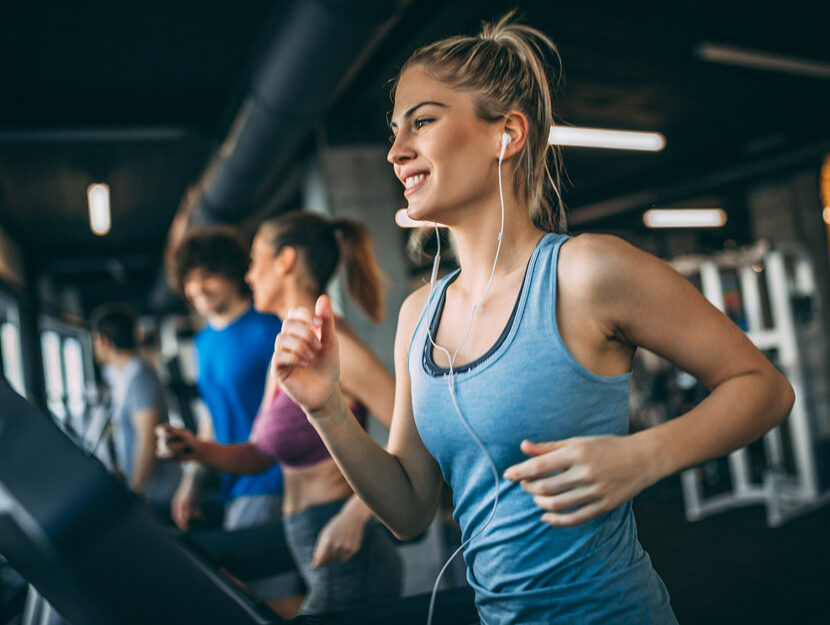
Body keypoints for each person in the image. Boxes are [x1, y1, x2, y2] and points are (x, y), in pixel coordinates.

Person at [270, 14, 795, 625]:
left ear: (506, 134)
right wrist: (325, 409)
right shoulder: (420, 315)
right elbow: (410, 511)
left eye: (423, 121)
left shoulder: (585, 273)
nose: (395, 151)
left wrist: (645, 456)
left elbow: (765, 388)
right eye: (394, 130)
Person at [159, 212, 402, 615]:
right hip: (307, 539)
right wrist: (195, 449)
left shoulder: (333, 343)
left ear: (285, 261)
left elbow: (417, 434)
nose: (249, 276)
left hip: (346, 547)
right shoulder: (284, 350)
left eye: (255, 261)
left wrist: (356, 514)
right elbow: (259, 454)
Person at [167, 226, 284, 531]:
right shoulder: (202, 342)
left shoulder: (270, 328)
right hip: (229, 482)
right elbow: (212, 416)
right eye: (189, 280)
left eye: (207, 275)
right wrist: (192, 481)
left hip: (272, 481)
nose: (198, 288)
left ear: (233, 273)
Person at [91, 304, 179, 508]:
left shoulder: (139, 375)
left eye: (95, 340)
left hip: (157, 493)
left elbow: (147, 438)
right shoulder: (121, 375)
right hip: (144, 489)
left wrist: (136, 492)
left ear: (104, 341)